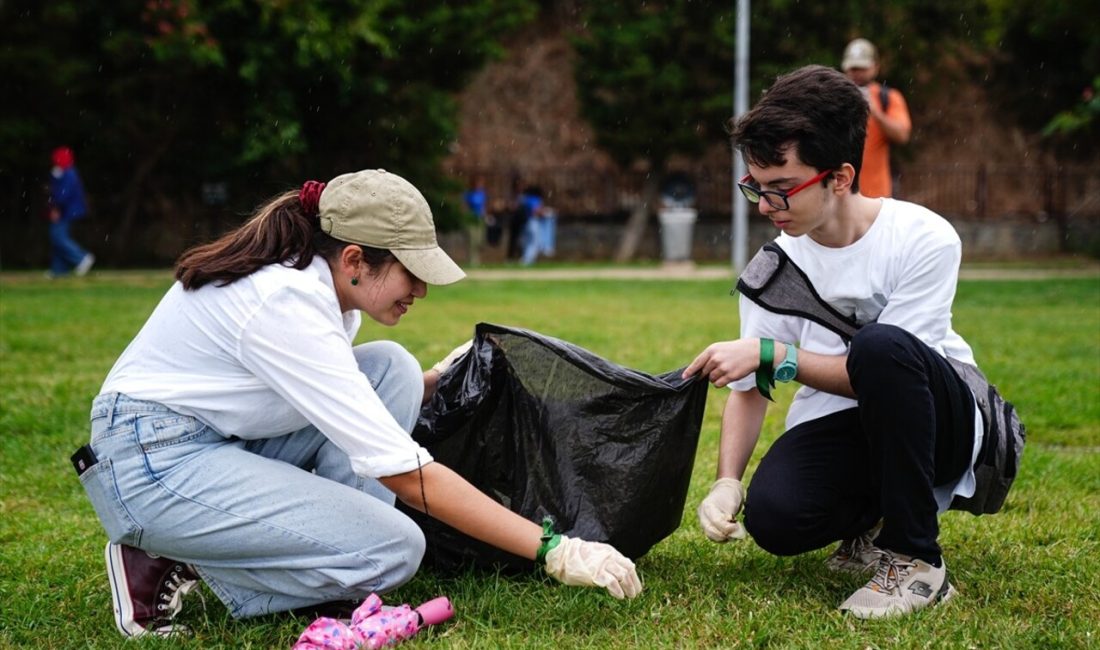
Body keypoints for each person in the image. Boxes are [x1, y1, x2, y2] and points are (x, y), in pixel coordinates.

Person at [72, 169, 641, 638]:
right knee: (393, 552)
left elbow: (340, 396)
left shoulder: (321, 292)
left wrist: (441, 378)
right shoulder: (284, 303)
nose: (420, 291)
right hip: (151, 465)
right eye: (411, 273)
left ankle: (299, 550)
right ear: (352, 260)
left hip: (208, 440)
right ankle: (169, 556)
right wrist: (554, 549)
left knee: (391, 367)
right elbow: (406, 474)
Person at [684, 66, 984, 619]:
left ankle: (918, 561)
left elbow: (893, 368)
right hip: (851, 429)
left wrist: (780, 357)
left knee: (877, 347)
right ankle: (865, 527)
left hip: (944, 423)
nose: (763, 207)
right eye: (754, 186)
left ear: (840, 178)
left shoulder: (923, 238)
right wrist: (727, 482)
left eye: (781, 190)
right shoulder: (773, 269)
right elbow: (750, 388)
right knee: (775, 516)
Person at [841, 38, 911, 199]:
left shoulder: (888, 97)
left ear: (875, 67)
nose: (857, 73)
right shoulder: (835, 97)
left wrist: (876, 112)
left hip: (876, 195)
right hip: (840, 195)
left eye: (862, 68)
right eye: (853, 68)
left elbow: (902, 135)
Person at [46, 146, 95, 277]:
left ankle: (82, 258)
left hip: (67, 211)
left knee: (58, 236)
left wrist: (56, 207)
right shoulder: (63, 172)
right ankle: (59, 270)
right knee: (57, 237)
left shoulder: (68, 173)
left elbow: (63, 194)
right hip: (67, 210)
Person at [462, 175, 487, 266]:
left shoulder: (482, 194)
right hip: (471, 219)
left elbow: (483, 207)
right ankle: (473, 260)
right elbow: (464, 207)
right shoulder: (468, 194)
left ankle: (477, 259)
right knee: (472, 239)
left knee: (479, 240)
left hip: (480, 219)